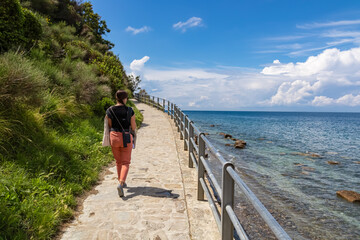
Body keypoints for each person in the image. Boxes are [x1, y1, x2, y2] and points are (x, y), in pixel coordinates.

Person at [106, 90, 136, 197]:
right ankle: (121, 183)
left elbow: (109, 125)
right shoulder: (129, 110)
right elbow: (133, 127)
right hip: (126, 137)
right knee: (126, 162)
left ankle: (120, 180)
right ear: (124, 99)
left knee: (118, 161)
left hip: (114, 137)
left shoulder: (109, 110)